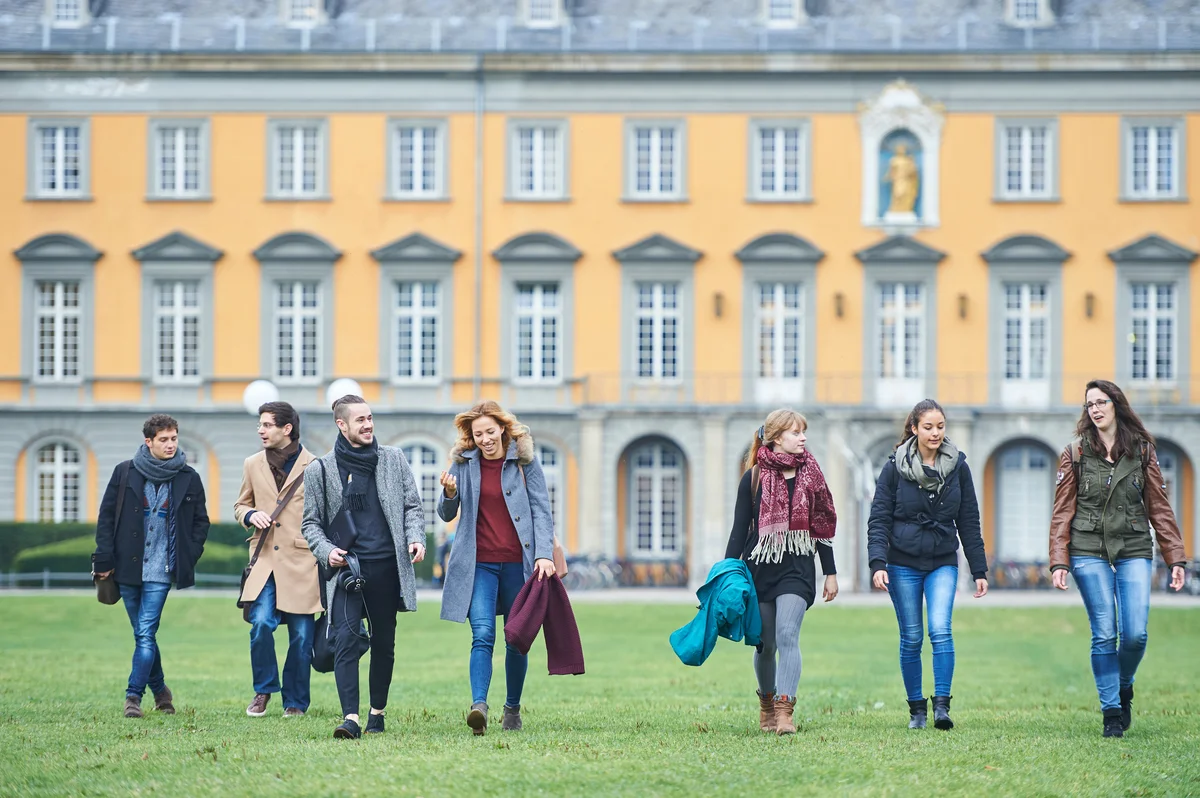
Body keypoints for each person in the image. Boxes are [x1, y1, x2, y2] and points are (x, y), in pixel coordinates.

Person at [1049, 379, 1188, 738]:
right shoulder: (1075, 452)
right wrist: (1059, 560)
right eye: (1089, 404)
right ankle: (1111, 711)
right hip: (1088, 549)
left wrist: (1175, 558)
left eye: (1101, 402)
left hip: (1134, 546)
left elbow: (1159, 507)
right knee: (1104, 633)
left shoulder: (1141, 451)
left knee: (1135, 635)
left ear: (1116, 405)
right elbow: (1062, 511)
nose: (1095, 409)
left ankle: (1124, 683)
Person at [300, 395, 426, 739]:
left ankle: (377, 713)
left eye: (370, 418)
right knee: (345, 639)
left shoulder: (393, 459)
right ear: (341, 425)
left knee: (384, 642)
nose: (369, 425)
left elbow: (412, 507)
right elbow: (310, 523)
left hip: (387, 567)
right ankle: (351, 719)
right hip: (347, 570)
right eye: (361, 420)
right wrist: (327, 551)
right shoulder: (320, 470)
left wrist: (416, 538)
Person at [436, 400, 556, 736]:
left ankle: (512, 709)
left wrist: (544, 554)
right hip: (479, 566)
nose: (485, 439)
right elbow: (446, 514)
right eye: (478, 434)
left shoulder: (525, 461)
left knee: (516, 639)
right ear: (471, 436)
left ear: (502, 428)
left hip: (519, 565)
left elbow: (541, 511)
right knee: (483, 634)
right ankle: (479, 707)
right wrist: (449, 493)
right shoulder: (463, 463)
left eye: (490, 431)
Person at [867, 399, 987, 731]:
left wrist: (979, 569)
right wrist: (878, 562)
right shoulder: (894, 468)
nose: (935, 433)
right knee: (911, 637)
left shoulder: (958, 467)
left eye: (940, 426)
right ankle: (916, 710)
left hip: (942, 561)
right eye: (928, 427)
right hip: (902, 563)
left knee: (940, 629)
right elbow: (879, 519)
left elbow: (969, 520)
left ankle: (942, 708)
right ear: (914, 428)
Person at [723, 408, 838, 736]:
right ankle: (767, 704)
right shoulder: (754, 477)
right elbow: (739, 530)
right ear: (775, 438)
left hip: (797, 568)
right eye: (795, 432)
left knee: (788, 634)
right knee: (766, 644)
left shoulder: (812, 474)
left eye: (803, 432)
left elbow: (821, 526)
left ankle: (785, 712)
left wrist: (830, 572)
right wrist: (726, 573)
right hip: (759, 567)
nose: (803, 438)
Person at [92, 414, 210, 718]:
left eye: (174, 439)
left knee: (145, 633)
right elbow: (106, 518)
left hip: (162, 569)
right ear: (149, 441)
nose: (171, 445)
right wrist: (103, 559)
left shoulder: (189, 476)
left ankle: (133, 697)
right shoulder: (124, 472)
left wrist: (189, 554)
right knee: (143, 635)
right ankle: (161, 692)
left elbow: (201, 522)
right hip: (126, 568)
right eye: (164, 440)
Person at [234, 401, 321, 718]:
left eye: (267, 425)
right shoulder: (252, 464)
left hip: (302, 562)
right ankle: (263, 690)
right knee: (260, 624)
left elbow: (326, 514)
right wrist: (250, 515)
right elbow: (241, 505)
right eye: (260, 424)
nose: (261, 430)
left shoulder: (316, 466)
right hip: (265, 559)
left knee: (301, 637)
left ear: (287, 428)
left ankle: (295, 701)